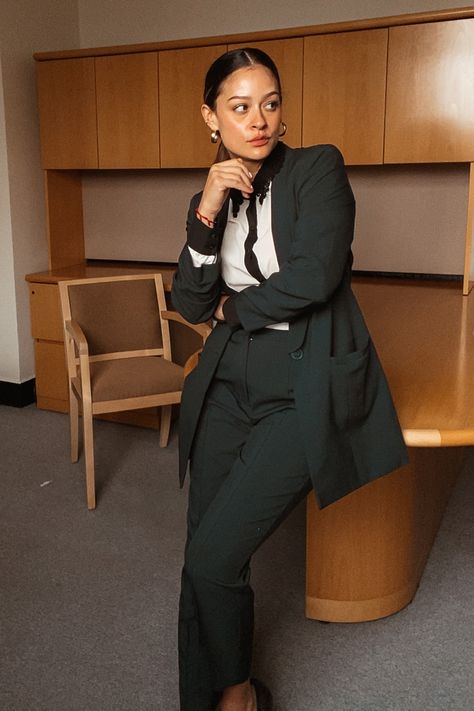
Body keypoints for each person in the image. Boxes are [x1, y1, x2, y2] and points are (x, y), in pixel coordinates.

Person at [171, 47, 408, 711]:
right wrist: (208, 208)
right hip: (224, 385)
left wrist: (233, 307)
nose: (260, 119)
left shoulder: (316, 168)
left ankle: (240, 693)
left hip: (299, 386)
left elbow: (315, 275)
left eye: (270, 103)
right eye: (240, 106)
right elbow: (189, 301)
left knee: (213, 557)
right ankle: (207, 699)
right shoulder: (207, 197)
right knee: (205, 553)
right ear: (210, 117)